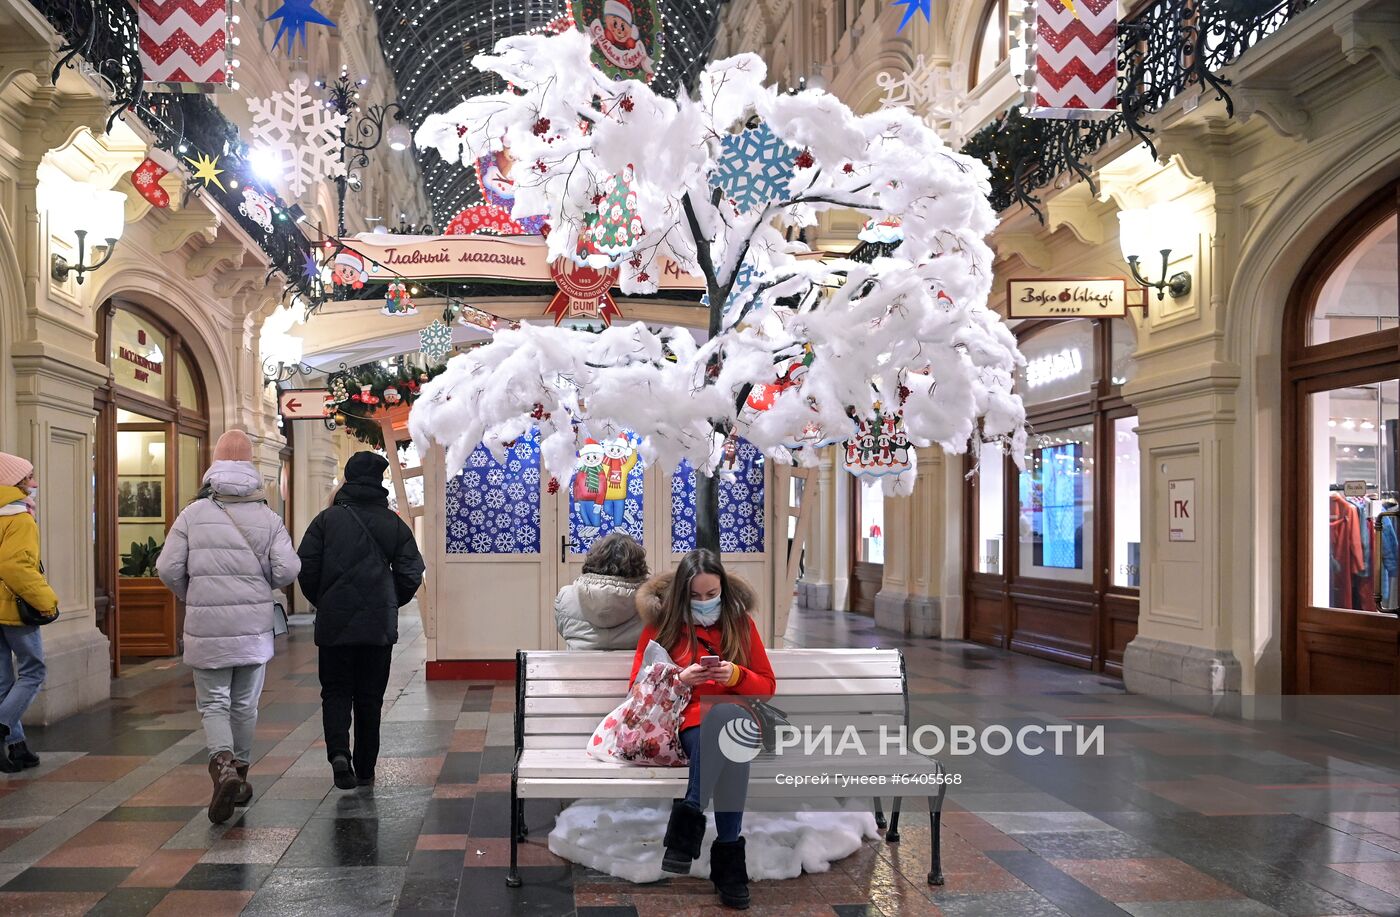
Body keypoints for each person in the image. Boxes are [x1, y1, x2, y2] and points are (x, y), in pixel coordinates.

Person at [157, 430, 299, 823]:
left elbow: (167, 567)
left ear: (213, 465)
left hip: (206, 625)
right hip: (253, 627)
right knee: (245, 705)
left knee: (214, 703)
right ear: (252, 465)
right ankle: (240, 773)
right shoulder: (268, 517)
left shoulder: (192, 515)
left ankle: (221, 766)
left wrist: (193, 593)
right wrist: (261, 585)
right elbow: (288, 568)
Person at [631, 549, 776, 910]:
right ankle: (729, 859)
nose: (704, 602)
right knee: (732, 747)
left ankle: (688, 817)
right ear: (682, 593)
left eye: (712, 595)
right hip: (688, 724)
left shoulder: (740, 625)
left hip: (738, 720)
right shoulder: (661, 627)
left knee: (729, 720)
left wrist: (737, 675)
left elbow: (768, 685)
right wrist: (679, 678)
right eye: (695, 596)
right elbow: (637, 687)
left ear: (723, 590)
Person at [298, 452, 424, 791]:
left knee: (336, 691)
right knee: (370, 697)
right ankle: (365, 766)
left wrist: (323, 600)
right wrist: (388, 600)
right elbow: (413, 570)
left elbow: (305, 567)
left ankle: (339, 754)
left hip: (334, 624)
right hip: (377, 628)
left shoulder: (326, 521)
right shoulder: (394, 523)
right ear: (380, 482)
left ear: (348, 479)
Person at [0, 453, 54, 773]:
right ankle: (3, 723)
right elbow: (16, 567)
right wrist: (47, 601)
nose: (33, 485)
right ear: (14, 482)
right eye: (28, 479)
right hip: (15, 607)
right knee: (34, 670)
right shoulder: (18, 518)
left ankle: (17, 748)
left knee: (4, 679)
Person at [554, 532, 648, 651]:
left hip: (578, 667)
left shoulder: (567, 596)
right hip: (632, 669)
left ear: (593, 559)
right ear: (638, 565)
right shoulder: (650, 599)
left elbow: (564, 630)